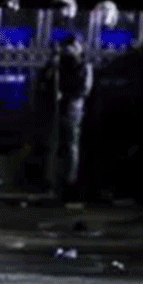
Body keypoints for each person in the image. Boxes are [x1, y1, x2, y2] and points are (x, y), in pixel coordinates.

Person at [41, 33, 92, 195]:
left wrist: (66, 95)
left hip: (72, 108)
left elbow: (83, 89)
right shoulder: (58, 64)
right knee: (54, 143)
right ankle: (51, 179)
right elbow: (45, 80)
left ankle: (70, 180)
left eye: (74, 46)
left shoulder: (83, 65)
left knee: (71, 145)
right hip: (57, 107)